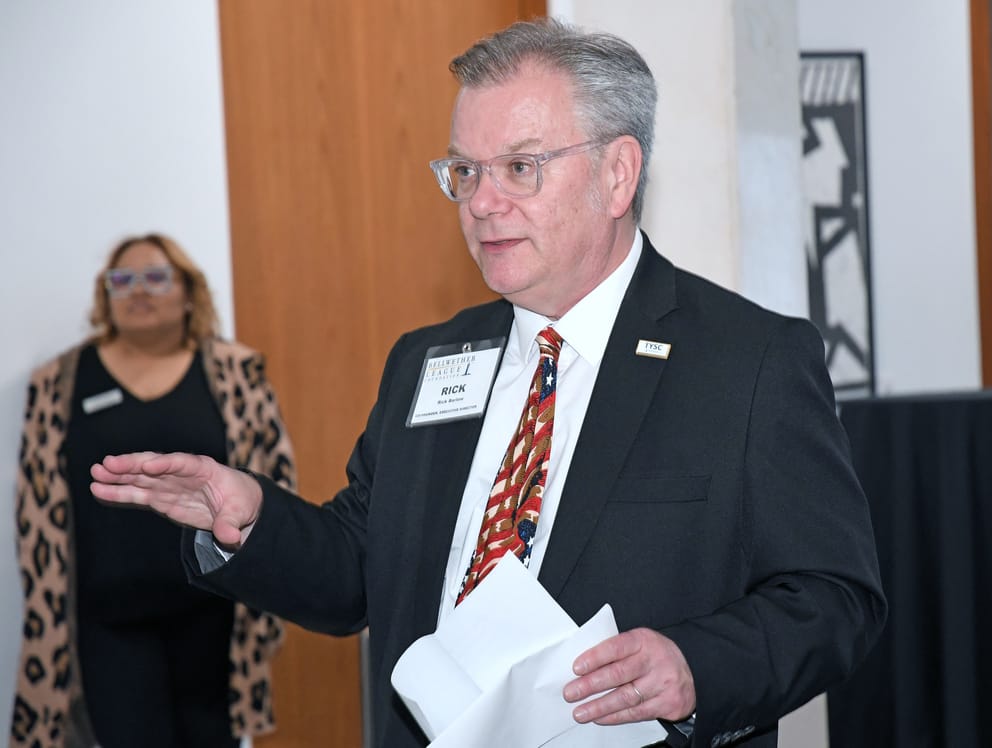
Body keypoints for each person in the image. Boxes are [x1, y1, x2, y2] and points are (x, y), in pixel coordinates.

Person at [89, 20, 887, 748]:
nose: (481, 203)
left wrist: (695, 666)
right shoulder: (426, 362)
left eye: (519, 167)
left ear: (618, 174)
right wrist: (251, 519)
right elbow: (358, 570)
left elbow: (834, 598)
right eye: (464, 171)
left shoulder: (749, 362)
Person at [11, 233, 296, 747]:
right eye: (122, 280)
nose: (137, 290)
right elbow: (34, 509)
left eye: (155, 277)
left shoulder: (235, 371)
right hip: (108, 620)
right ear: (106, 296)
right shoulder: (59, 383)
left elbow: (272, 481)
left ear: (189, 293)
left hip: (216, 615)